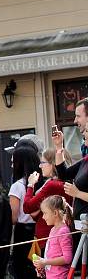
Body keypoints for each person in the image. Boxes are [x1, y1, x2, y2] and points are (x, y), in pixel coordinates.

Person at [54, 99, 88, 243]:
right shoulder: (86, 159)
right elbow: (64, 174)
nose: (75, 120)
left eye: (78, 116)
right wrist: (58, 148)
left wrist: (77, 193)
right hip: (81, 226)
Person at [24, 148, 72, 248]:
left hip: (49, 239)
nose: (40, 166)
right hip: (56, 236)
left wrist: (30, 185)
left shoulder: (52, 185)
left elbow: (27, 207)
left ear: (52, 164)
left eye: (43, 162)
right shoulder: (65, 182)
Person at [9, 145, 42, 279]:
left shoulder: (17, 186)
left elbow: (13, 218)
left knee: (22, 270)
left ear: (20, 164)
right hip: (41, 230)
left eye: (13, 162)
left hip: (23, 232)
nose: (11, 166)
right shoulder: (42, 182)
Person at [33, 195, 73, 279]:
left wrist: (45, 262)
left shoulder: (63, 231)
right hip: (51, 275)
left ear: (55, 213)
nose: (43, 217)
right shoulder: (53, 230)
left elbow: (67, 258)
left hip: (60, 276)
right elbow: (53, 255)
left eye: (45, 213)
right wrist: (42, 263)